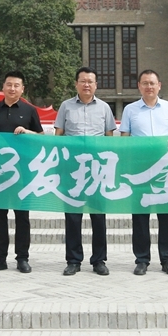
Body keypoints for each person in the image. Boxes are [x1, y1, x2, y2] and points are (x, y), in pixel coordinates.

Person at [0, 71, 43, 274]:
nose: (12, 88)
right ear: (3, 87)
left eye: (16, 85)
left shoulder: (30, 111)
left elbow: (41, 137)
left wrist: (27, 132)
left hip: (23, 172)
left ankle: (22, 258)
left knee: (22, 216)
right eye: (9, 85)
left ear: (22, 89)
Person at [120, 69, 168, 276]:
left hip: (166, 171)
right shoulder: (130, 110)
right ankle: (142, 259)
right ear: (139, 86)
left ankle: (167, 259)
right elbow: (124, 139)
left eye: (152, 83)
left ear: (159, 86)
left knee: (167, 216)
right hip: (140, 169)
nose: (149, 87)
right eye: (145, 83)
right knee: (140, 217)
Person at [55, 67, 115, 277]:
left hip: (97, 171)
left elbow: (110, 138)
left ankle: (99, 260)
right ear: (76, 84)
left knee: (98, 216)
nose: (86, 85)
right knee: (73, 216)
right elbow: (58, 136)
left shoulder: (105, 108)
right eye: (83, 81)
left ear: (96, 85)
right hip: (73, 170)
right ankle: (73, 260)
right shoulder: (66, 106)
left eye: (90, 81)